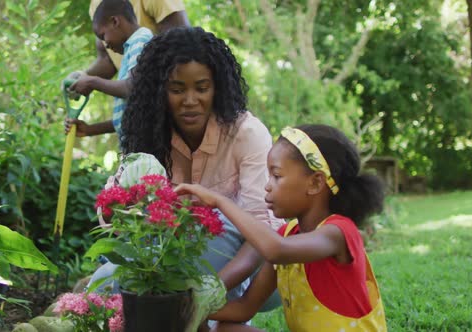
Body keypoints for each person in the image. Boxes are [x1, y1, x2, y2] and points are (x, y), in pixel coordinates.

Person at [119, 26, 285, 311]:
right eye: (177, 89)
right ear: (159, 92)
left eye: (202, 88)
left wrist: (208, 292)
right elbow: (132, 222)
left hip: (257, 273)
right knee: (110, 279)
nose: (190, 100)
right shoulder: (150, 137)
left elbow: (262, 234)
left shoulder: (247, 134)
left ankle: (196, 307)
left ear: (217, 87)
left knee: (217, 219)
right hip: (177, 262)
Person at [175, 125, 388, 331]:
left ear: (315, 183)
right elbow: (244, 309)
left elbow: (276, 249)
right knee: (225, 329)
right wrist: (187, 310)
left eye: (276, 176)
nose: (267, 185)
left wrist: (220, 201)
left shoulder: (338, 232)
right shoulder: (286, 235)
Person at [64, 0, 189, 138]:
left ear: (115, 22)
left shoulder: (141, 41)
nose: (105, 44)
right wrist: (91, 130)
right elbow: (133, 113)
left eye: (103, 36)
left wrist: (92, 82)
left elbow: (133, 88)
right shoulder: (127, 53)